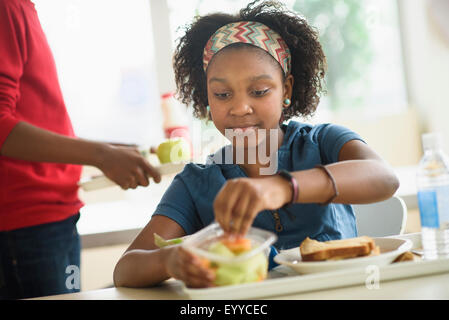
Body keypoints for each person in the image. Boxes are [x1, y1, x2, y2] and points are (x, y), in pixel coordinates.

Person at [113, 0, 400, 289]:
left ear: (286, 89)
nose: (240, 107)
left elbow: (384, 178)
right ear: (207, 99)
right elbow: (126, 269)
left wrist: (282, 187)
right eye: (223, 94)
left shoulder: (323, 142)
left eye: (259, 91)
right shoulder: (196, 182)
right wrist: (169, 260)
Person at [0, 0, 161, 299]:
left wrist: (108, 150)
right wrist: (100, 155)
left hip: (50, 215)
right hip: (26, 224)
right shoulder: (7, 8)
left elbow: (32, 117)